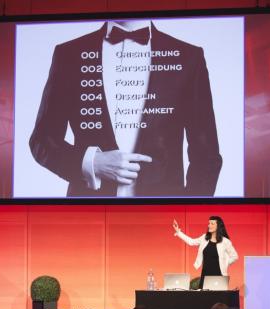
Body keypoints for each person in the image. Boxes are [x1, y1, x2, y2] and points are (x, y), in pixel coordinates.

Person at [29, 20, 222, 197]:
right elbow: (42, 141)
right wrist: (91, 163)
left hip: (164, 220)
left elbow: (206, 156)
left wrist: (189, 214)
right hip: (87, 215)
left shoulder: (189, 57)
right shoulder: (69, 54)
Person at [172, 216, 238, 288]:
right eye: (209, 223)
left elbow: (234, 256)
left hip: (219, 275)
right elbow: (191, 242)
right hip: (205, 274)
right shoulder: (204, 238)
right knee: (204, 297)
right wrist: (178, 232)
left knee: (219, 298)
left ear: (218, 226)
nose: (209, 225)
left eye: (212, 223)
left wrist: (225, 263)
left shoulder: (225, 241)